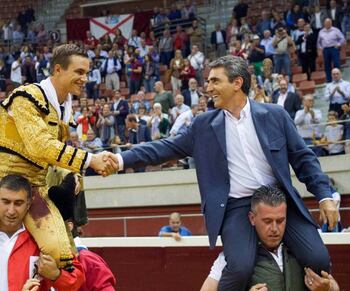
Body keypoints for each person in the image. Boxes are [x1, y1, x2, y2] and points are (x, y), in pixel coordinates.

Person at [103, 56, 337, 291]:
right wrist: (121, 159)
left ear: (237, 83)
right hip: (236, 206)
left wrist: (324, 196)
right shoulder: (203, 125)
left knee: (318, 260)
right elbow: (164, 148)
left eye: (215, 81)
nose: (208, 87)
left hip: (277, 201)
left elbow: (303, 158)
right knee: (240, 268)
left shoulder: (275, 115)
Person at [0, 44, 117, 277]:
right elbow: (40, 145)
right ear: (58, 69)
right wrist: (89, 160)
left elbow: (54, 153)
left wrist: (71, 172)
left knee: (61, 257)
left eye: (87, 73)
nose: (85, 79)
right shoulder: (25, 97)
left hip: (36, 186)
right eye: (79, 72)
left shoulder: (63, 107)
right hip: (0, 184)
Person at [200, 185, 340, 291]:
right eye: (267, 221)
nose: (274, 228)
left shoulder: (302, 247)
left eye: (280, 221)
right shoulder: (234, 254)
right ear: (252, 218)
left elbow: (333, 284)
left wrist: (327, 289)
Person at [317, 18, 345, 83]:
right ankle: (329, 80)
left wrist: (338, 44)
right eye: (326, 23)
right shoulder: (321, 32)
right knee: (327, 65)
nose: (327, 24)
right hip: (325, 50)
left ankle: (338, 79)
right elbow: (319, 42)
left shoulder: (336, 30)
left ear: (331, 23)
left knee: (336, 63)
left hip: (334, 48)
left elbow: (342, 39)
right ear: (324, 24)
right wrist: (320, 48)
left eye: (328, 23)